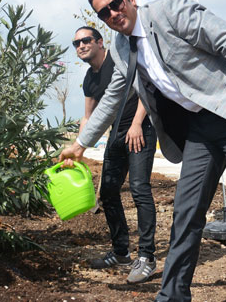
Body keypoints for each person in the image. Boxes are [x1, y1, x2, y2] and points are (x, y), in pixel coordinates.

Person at [60, 0, 226, 302]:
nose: (112, 13)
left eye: (116, 3)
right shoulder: (122, 47)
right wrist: (81, 144)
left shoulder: (170, 11)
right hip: (200, 130)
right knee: (185, 211)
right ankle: (173, 295)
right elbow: (113, 96)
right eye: (104, 13)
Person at [73, 26, 158, 283]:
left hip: (140, 128)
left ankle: (147, 257)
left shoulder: (119, 58)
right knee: (108, 192)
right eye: (76, 43)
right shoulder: (89, 79)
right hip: (116, 133)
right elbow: (88, 117)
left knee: (139, 188)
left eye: (86, 40)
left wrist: (135, 124)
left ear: (100, 42)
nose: (81, 46)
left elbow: (146, 86)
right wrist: (79, 149)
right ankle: (121, 252)